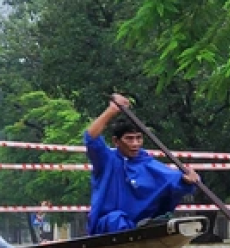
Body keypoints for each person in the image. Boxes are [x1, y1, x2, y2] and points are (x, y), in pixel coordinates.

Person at [84, 93, 200, 235]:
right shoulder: (107, 160)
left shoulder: (147, 162)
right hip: (108, 226)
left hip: (141, 225)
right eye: (129, 139)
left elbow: (172, 180)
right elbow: (91, 138)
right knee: (116, 219)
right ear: (116, 141)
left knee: (160, 219)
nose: (135, 144)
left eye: (139, 138)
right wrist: (112, 110)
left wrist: (187, 180)